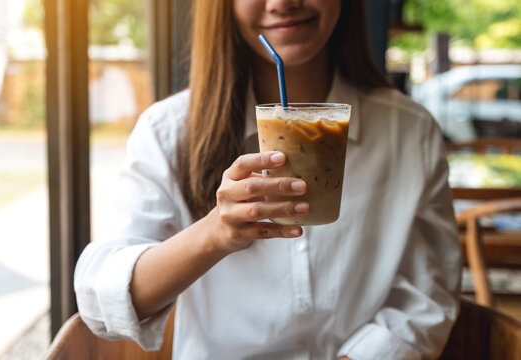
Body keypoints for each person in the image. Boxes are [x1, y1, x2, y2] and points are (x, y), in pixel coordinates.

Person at [74, 0, 462, 359]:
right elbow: (100, 303)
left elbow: (428, 295)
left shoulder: (409, 132)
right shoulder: (167, 131)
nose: (282, 2)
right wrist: (213, 233)